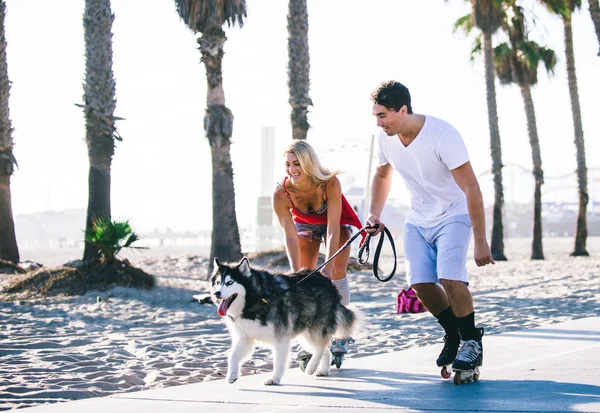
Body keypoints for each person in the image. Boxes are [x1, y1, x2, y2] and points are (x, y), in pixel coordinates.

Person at [366, 80, 495, 375]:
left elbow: (472, 187)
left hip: (454, 213)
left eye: (382, 115)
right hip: (418, 217)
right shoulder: (386, 139)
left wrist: (481, 240)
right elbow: (383, 175)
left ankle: (472, 341)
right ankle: (453, 333)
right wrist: (374, 213)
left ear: (402, 109)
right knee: (420, 283)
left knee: (450, 278)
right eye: (375, 115)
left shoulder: (442, 135)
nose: (378, 122)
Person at [272, 140, 365, 356]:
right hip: (305, 226)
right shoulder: (281, 194)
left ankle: (341, 334)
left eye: (297, 164)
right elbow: (290, 236)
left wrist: (328, 266)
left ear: (309, 163)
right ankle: (310, 338)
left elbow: (332, 229)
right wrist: (296, 275)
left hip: (335, 223)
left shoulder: (329, 183)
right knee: (305, 278)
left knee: (336, 271)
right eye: (288, 164)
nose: (292, 170)